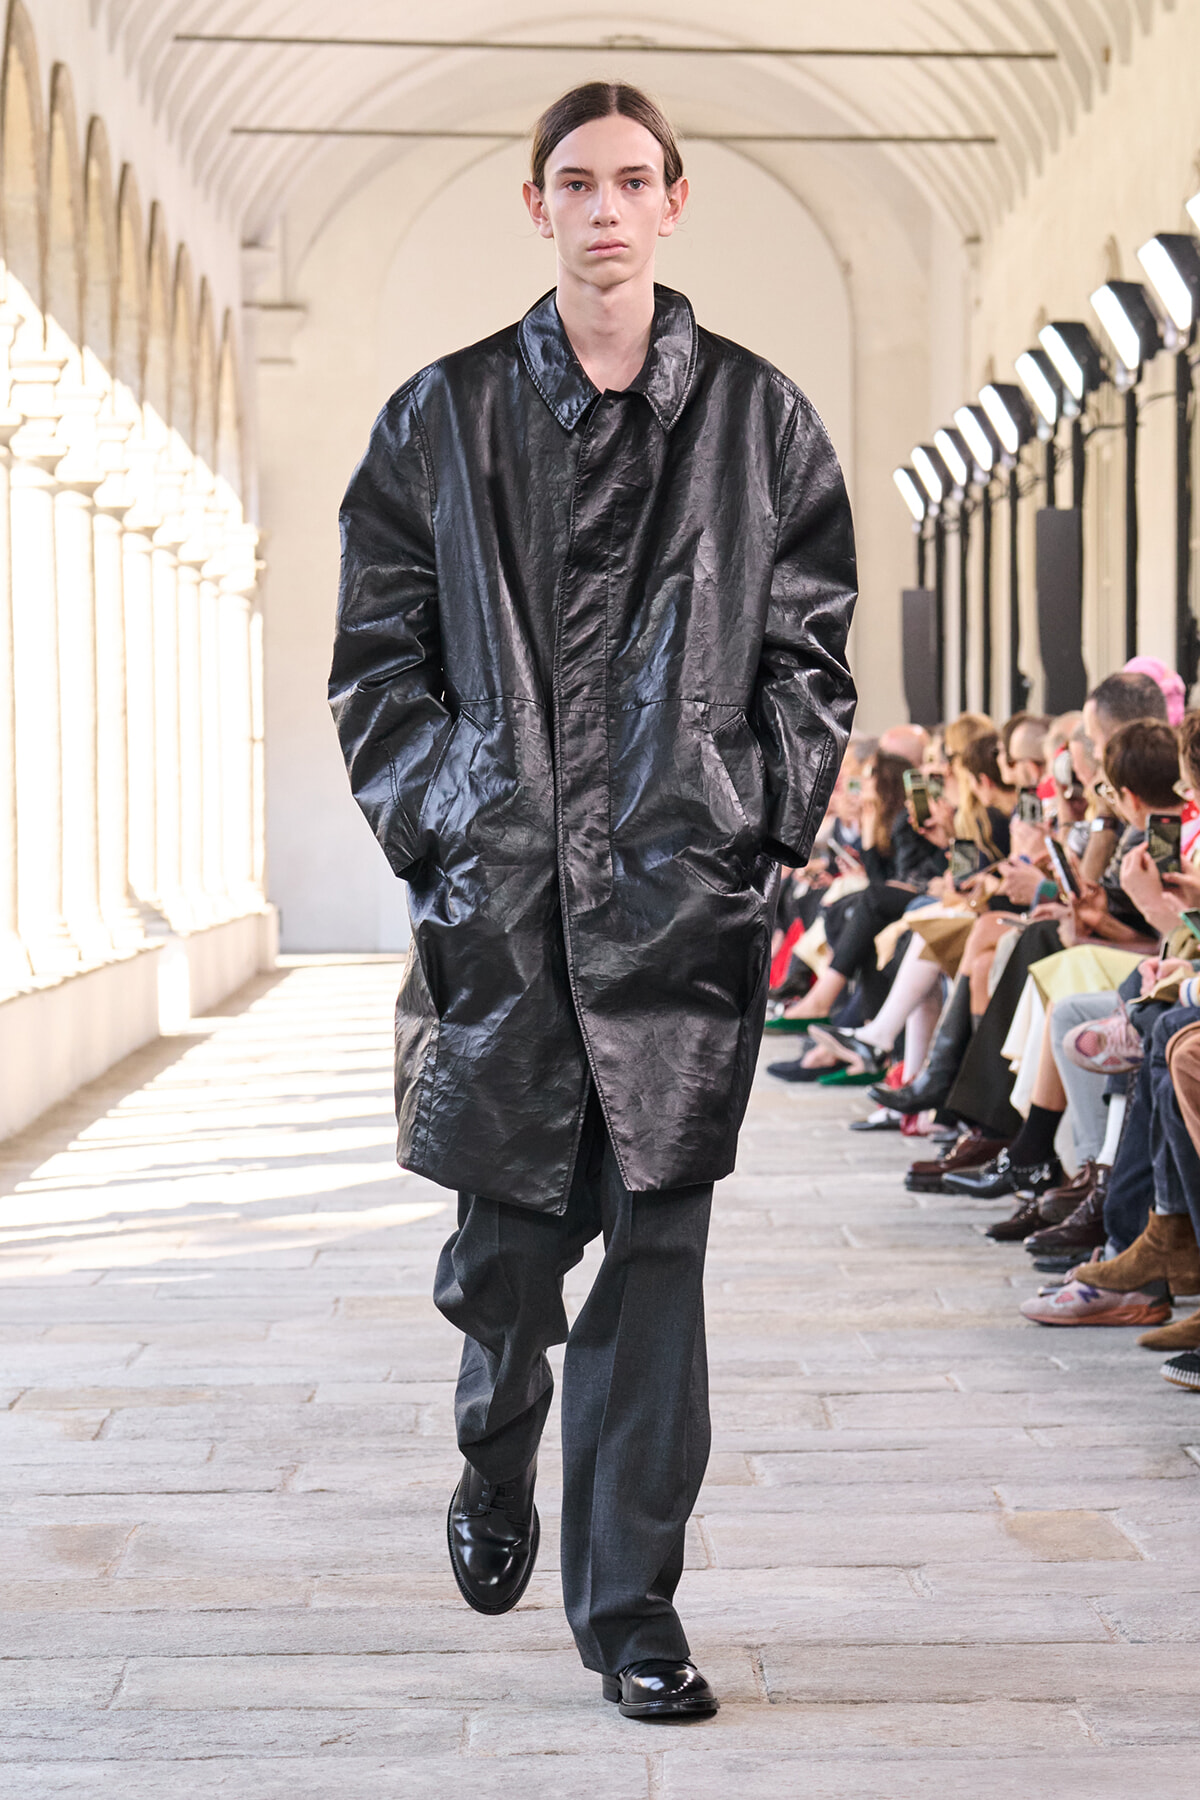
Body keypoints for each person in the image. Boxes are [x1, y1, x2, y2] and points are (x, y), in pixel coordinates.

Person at [328, 81, 856, 1722]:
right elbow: (377, 664)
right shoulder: (446, 416)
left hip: (675, 929)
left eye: (635, 180)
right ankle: (495, 1440)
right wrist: (463, 817)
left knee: (655, 1269)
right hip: (502, 919)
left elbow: (808, 658)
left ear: (677, 203)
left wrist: (741, 822)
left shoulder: (759, 423)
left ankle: (632, 1610)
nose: (607, 207)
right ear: (538, 204)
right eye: (578, 181)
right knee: (508, 1259)